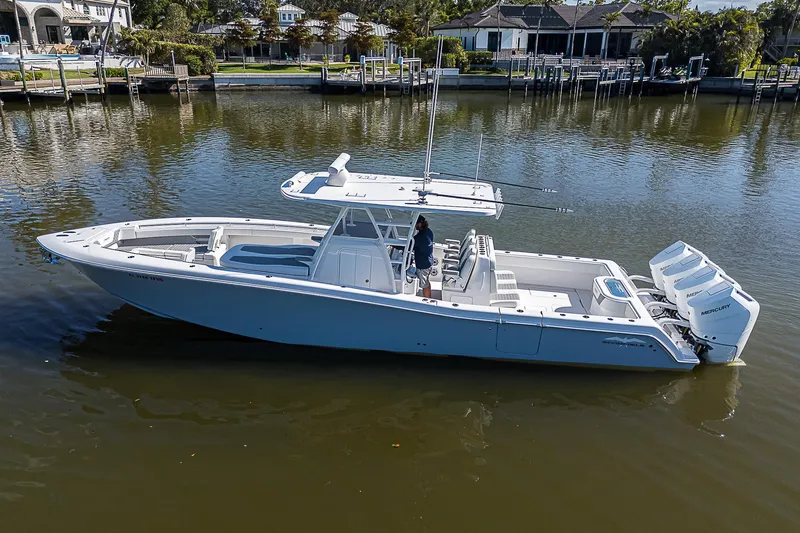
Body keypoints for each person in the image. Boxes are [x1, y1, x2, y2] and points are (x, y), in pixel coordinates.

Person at [412, 215, 434, 299]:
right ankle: (429, 297)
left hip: (423, 265)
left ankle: (427, 301)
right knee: (426, 282)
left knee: (424, 284)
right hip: (429, 261)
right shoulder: (428, 231)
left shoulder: (420, 237)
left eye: (415, 224)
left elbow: (409, 245)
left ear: (420, 224)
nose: (414, 226)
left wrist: (393, 245)